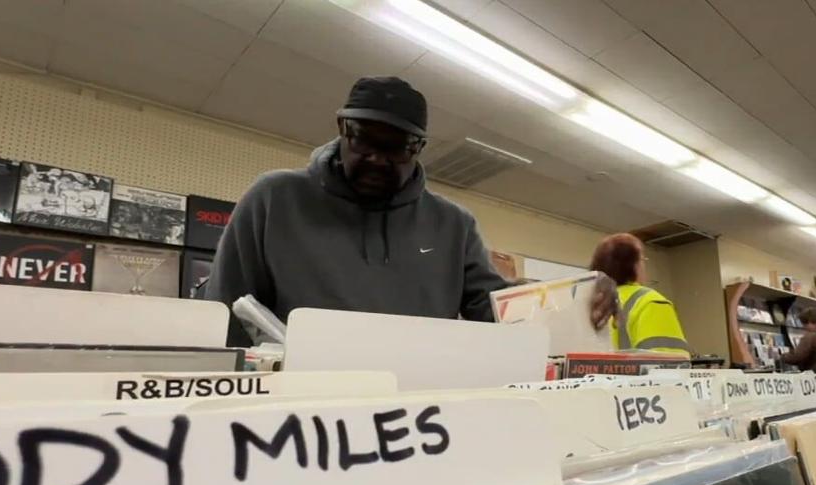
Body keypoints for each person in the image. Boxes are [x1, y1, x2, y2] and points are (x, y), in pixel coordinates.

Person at [204, 76, 614, 345]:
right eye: (364, 139)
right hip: (300, 414)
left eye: (396, 147)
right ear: (342, 128)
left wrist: (578, 296)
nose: (377, 159)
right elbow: (226, 313)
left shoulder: (453, 225)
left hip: (416, 414)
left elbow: (495, 309)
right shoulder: (274, 198)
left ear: (418, 149)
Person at [589, 233, 690, 355]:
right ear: (635, 265)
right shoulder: (650, 302)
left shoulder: (587, 303)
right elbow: (672, 367)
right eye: (642, 260)